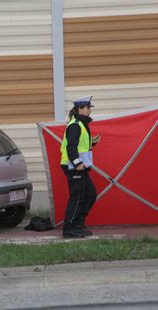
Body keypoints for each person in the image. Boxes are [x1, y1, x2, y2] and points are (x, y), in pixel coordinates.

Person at [60, 96, 100, 238]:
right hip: (73, 166)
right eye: (88, 108)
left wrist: (92, 143)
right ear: (80, 109)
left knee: (90, 194)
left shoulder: (81, 124)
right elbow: (71, 147)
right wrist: (77, 163)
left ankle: (78, 224)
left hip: (80, 166)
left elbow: (79, 145)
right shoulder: (75, 125)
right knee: (77, 197)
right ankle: (69, 228)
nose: (90, 110)